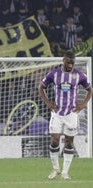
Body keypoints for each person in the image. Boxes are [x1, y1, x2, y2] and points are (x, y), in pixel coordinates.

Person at [38, 51, 92, 180]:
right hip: (57, 113)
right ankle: (56, 168)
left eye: (72, 63)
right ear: (63, 60)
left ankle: (65, 172)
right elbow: (41, 87)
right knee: (55, 140)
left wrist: (82, 104)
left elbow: (90, 90)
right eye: (68, 62)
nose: (70, 65)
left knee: (69, 142)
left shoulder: (79, 75)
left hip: (72, 114)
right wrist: (48, 103)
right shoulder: (54, 73)